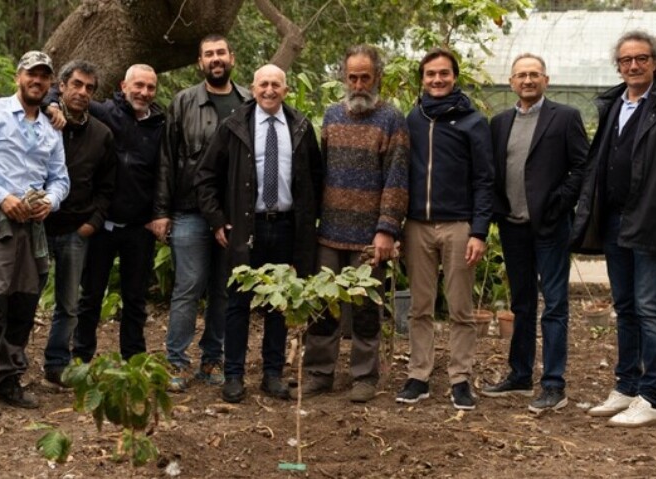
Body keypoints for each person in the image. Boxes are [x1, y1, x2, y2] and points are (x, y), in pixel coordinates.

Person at [571, 31, 656, 427]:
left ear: (655, 63)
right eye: (626, 60)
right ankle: (626, 387)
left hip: (654, 223)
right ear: (618, 65)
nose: (633, 65)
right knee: (626, 307)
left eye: (641, 59)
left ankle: (653, 397)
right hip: (614, 222)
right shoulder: (614, 104)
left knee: (650, 308)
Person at [195, 64, 323, 403]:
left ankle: (272, 374)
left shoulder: (300, 127)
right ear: (252, 88)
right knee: (237, 304)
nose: (269, 90)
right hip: (244, 229)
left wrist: (310, 225)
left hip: (286, 227)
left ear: (286, 89)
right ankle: (234, 375)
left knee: (279, 304)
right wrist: (217, 220)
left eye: (276, 85)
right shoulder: (234, 126)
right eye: (263, 84)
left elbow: (316, 178)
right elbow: (206, 176)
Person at [0, 51, 70, 417]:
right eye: (31, 75)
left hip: (33, 226)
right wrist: (1, 196)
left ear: (51, 84)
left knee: (24, 304)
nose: (37, 81)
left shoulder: (51, 128)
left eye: (44, 77)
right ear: (18, 77)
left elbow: (60, 178)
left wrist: (50, 201)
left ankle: (8, 379)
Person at [295, 44, 408, 404]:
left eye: (365, 77)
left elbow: (396, 179)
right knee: (323, 306)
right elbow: (322, 172)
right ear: (344, 77)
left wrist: (386, 229)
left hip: (368, 235)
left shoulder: (391, 119)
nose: (358, 85)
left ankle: (364, 376)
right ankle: (318, 373)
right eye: (352, 77)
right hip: (329, 231)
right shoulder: (331, 116)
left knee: (364, 309)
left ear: (378, 78)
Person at [480, 53, 588, 413]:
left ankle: (554, 384)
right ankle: (520, 374)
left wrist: (559, 203)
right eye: (521, 75)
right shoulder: (499, 123)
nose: (527, 80)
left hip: (551, 227)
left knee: (554, 305)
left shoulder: (565, 118)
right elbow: (492, 170)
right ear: (511, 82)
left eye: (534, 74)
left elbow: (581, 167)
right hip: (513, 227)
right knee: (521, 303)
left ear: (546, 79)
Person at [45, 64, 166, 368]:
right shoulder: (104, 112)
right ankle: (81, 356)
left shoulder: (161, 123)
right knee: (90, 297)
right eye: (138, 85)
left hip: (140, 225)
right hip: (100, 223)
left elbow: (166, 171)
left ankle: (134, 359)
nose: (144, 92)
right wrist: (49, 104)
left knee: (136, 298)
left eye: (150, 87)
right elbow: (60, 93)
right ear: (124, 86)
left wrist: (160, 213)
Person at [394, 48, 493, 411]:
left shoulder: (473, 122)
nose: (437, 80)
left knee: (460, 307)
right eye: (430, 74)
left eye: (444, 74)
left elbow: (485, 179)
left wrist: (479, 231)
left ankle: (460, 378)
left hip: (458, 227)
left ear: (455, 77)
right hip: (417, 226)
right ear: (422, 79)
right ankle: (419, 375)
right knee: (420, 307)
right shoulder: (413, 119)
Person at [153, 34, 251, 392]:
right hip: (190, 211)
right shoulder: (183, 102)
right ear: (200, 62)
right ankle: (176, 361)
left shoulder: (249, 102)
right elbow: (166, 159)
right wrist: (161, 211)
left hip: (235, 215)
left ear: (232, 58)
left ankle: (213, 361)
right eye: (208, 54)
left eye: (221, 52)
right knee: (188, 287)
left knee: (225, 290)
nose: (215, 59)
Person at [39, 60, 116, 386]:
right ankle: (8, 364)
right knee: (23, 296)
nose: (82, 92)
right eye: (77, 85)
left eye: (89, 88)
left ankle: (57, 365)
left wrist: (93, 222)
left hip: (75, 230)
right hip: (37, 226)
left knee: (69, 304)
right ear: (62, 86)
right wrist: (48, 105)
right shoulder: (42, 121)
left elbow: (107, 186)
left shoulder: (101, 135)